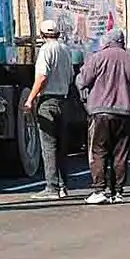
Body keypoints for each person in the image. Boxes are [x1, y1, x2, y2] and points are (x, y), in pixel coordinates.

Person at [75, 29, 130, 205]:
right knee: (120, 154)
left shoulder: (98, 57)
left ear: (106, 41)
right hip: (128, 114)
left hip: (102, 112)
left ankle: (100, 190)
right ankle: (118, 192)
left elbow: (82, 80)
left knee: (99, 151)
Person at [24, 19, 75, 200]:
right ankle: (63, 186)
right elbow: (71, 77)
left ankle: (51, 187)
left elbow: (42, 76)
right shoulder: (65, 50)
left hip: (48, 102)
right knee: (61, 146)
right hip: (63, 100)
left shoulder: (46, 50)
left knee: (48, 146)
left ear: (42, 34)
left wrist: (30, 99)